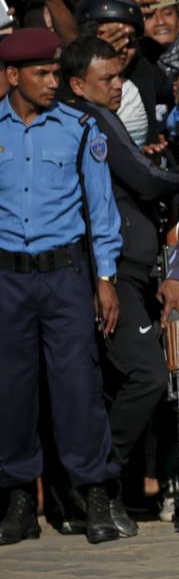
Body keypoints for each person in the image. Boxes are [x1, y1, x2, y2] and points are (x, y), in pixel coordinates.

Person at [0, 28, 123, 546]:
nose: (54, 82)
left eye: (55, 72)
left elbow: (101, 209)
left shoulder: (78, 127)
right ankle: (19, 500)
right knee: (12, 391)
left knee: (77, 387)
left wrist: (105, 278)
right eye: (42, 74)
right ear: (12, 76)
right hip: (8, 276)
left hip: (66, 275)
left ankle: (94, 494)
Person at [62, 35, 179, 537]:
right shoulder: (88, 119)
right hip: (112, 274)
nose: (118, 87)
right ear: (77, 84)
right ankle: (98, 483)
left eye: (120, 77)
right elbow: (145, 180)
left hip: (128, 270)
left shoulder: (94, 116)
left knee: (120, 383)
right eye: (107, 79)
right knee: (148, 378)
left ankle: (103, 486)